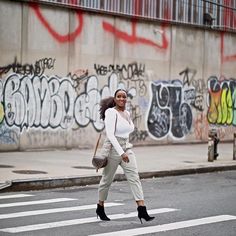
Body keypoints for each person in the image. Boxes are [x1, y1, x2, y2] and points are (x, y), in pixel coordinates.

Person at [96, 88, 155, 224]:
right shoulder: (111, 112)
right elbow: (110, 135)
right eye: (119, 96)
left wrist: (125, 150)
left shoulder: (127, 113)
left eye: (124, 97)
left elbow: (127, 132)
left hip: (126, 147)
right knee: (107, 180)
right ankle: (100, 206)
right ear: (115, 99)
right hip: (113, 149)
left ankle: (142, 210)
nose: (122, 99)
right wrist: (121, 153)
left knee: (134, 177)